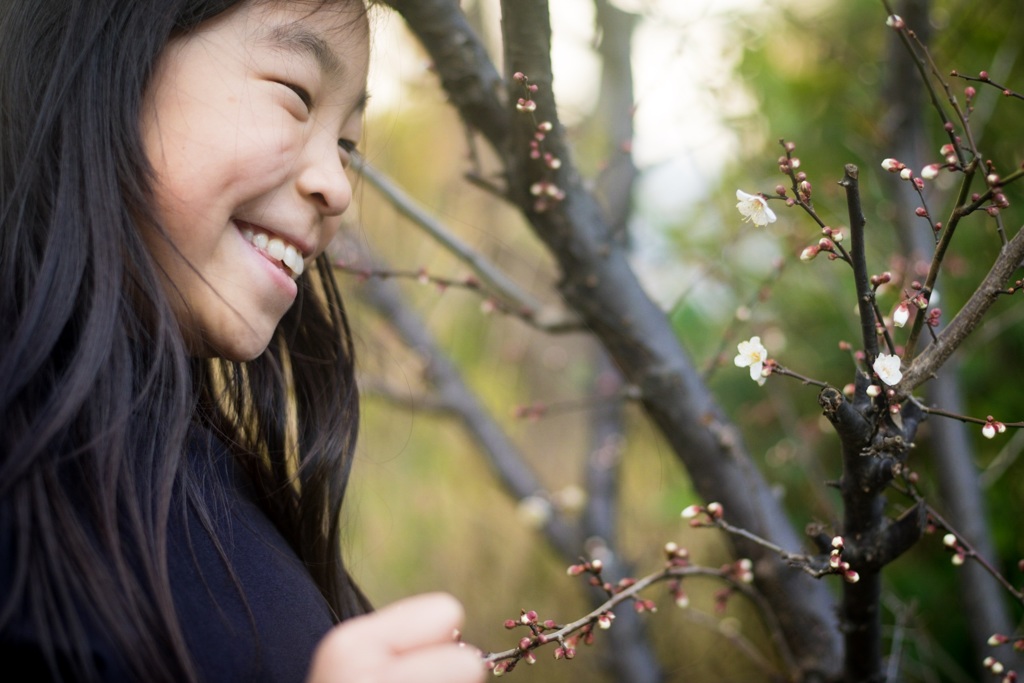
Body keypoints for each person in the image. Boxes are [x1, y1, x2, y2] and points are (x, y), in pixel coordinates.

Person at [0, 1, 485, 682]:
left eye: (347, 146)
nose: (338, 186)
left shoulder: (199, 470)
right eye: (294, 96)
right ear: (110, 59)